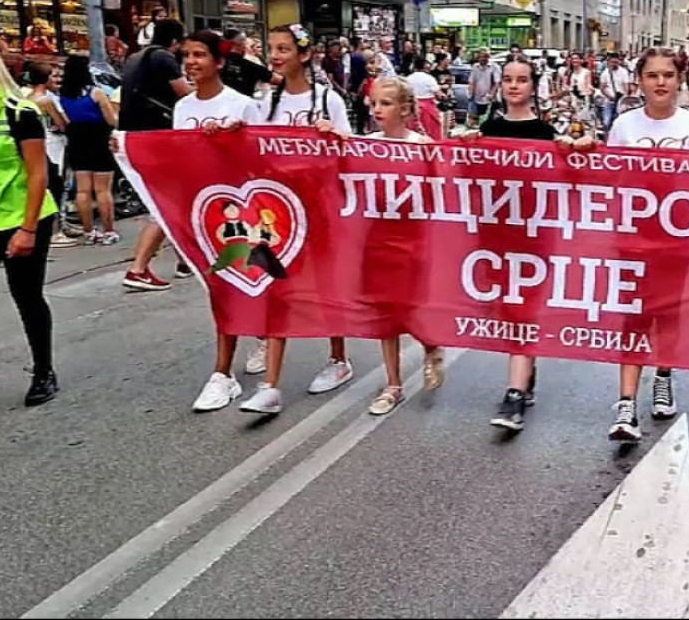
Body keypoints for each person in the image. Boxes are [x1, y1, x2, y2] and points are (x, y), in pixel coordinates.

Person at [567, 48, 689, 442]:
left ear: (679, 79)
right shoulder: (624, 125)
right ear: (640, 81)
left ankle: (664, 375)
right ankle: (625, 405)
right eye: (652, 75)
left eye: (668, 74)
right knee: (633, 315)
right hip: (632, 236)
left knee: (668, 313)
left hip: (678, 237)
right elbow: (606, 177)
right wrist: (583, 153)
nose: (661, 82)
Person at [233, 24, 362, 415]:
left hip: (320, 209)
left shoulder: (328, 101)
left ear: (303, 55)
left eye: (283, 48)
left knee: (325, 287)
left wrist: (332, 135)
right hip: (277, 212)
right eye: (271, 48)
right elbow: (250, 151)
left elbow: (351, 150)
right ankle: (270, 384)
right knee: (275, 288)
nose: (275, 56)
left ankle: (338, 359)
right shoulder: (263, 103)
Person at [173, 30, 269, 413]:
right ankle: (228, 369)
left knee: (237, 285)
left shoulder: (243, 106)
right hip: (201, 211)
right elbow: (175, 157)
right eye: (187, 56)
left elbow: (261, 161)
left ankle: (223, 371)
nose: (192, 62)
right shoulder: (182, 109)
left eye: (200, 55)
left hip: (240, 212)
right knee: (220, 289)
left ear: (220, 62)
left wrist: (228, 142)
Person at [0, 33, 61, 420]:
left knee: (27, 296)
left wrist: (27, 229)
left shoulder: (17, 110)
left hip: (20, 217)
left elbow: (38, 174)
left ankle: (43, 372)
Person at [466, 57, 558, 432]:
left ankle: (514, 393)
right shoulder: (489, 128)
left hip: (534, 234)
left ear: (533, 86)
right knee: (507, 310)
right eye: (508, 80)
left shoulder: (546, 132)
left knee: (525, 309)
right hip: (497, 233)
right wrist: (467, 148)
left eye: (522, 80)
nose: (514, 86)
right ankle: (527, 367)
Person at [362, 77, 446, 415]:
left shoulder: (422, 146)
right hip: (377, 240)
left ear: (405, 109)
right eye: (374, 103)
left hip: (414, 241)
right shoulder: (364, 144)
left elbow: (444, 187)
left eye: (385, 103)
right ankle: (393, 384)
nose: (377, 109)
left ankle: (430, 345)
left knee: (410, 308)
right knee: (385, 314)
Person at [119, 18, 191, 290]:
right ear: (176, 41)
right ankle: (138, 268)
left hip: (135, 136)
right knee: (166, 204)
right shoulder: (164, 58)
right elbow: (184, 94)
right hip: (157, 135)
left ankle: (186, 259)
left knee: (176, 201)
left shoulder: (136, 57)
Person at [58, 55, 119, 245]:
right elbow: (112, 120)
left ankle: (89, 230)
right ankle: (108, 230)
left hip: (76, 139)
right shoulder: (96, 93)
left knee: (82, 189)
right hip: (99, 139)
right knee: (102, 189)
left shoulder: (62, 95)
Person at [22, 62, 77, 247]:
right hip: (53, 144)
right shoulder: (46, 100)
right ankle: (56, 231)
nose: (58, 79)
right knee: (56, 186)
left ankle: (59, 225)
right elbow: (62, 123)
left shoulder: (24, 97)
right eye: (53, 76)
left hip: (37, 145)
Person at [219, 29, 280, 99]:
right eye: (245, 41)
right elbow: (278, 80)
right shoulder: (249, 65)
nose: (246, 45)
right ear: (239, 44)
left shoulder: (216, 64)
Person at [406, 56, 446, 140]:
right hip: (427, 108)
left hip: (411, 107)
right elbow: (439, 94)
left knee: (413, 130)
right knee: (430, 130)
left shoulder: (408, 79)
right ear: (425, 66)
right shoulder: (429, 79)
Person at [597, 51, 634, 131]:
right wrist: (610, 97)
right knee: (606, 122)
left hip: (620, 101)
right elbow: (602, 88)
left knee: (619, 123)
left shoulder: (623, 72)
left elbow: (626, 87)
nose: (614, 64)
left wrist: (624, 98)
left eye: (616, 62)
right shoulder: (605, 73)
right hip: (609, 100)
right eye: (613, 62)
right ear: (609, 62)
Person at [467, 48, 501, 124]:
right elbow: (471, 81)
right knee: (475, 119)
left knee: (488, 120)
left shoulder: (494, 67)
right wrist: (470, 93)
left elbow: (497, 82)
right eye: (481, 57)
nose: (482, 59)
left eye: (485, 57)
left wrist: (491, 94)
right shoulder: (475, 67)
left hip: (489, 99)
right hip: (477, 98)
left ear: (488, 57)